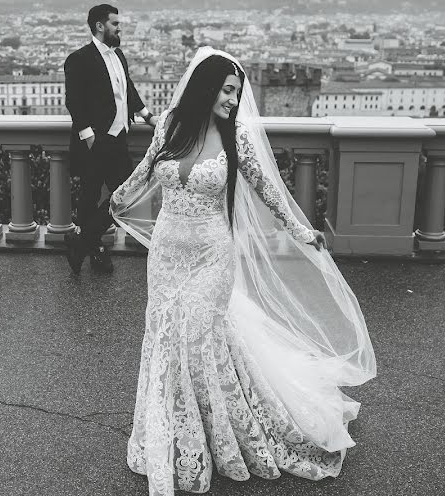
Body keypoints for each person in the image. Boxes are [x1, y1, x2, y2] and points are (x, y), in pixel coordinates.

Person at [111, 48, 376, 496]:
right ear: (206, 87)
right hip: (168, 252)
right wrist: (116, 198)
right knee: (165, 337)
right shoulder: (170, 127)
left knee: (199, 334)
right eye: (228, 91)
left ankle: (219, 435)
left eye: (238, 93)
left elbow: (268, 191)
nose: (234, 100)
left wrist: (300, 230)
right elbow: (146, 170)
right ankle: (175, 429)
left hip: (213, 253)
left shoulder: (236, 140)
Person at [64, 3, 157, 274]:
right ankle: (94, 251)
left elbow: (128, 92)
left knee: (124, 197)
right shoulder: (79, 58)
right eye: (115, 24)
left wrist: (149, 116)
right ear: (100, 26)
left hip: (117, 140)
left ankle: (81, 243)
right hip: (95, 141)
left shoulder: (119, 56)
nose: (120, 28)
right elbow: (74, 101)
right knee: (90, 196)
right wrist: (88, 136)